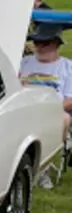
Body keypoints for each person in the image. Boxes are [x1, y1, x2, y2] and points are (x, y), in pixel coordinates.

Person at [19, 23, 72, 185]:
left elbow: (69, 100)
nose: (39, 47)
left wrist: (47, 111)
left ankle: (44, 169)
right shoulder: (24, 63)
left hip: (55, 111)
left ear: (57, 43)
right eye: (36, 43)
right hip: (23, 108)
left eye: (45, 43)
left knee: (64, 119)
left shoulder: (67, 67)